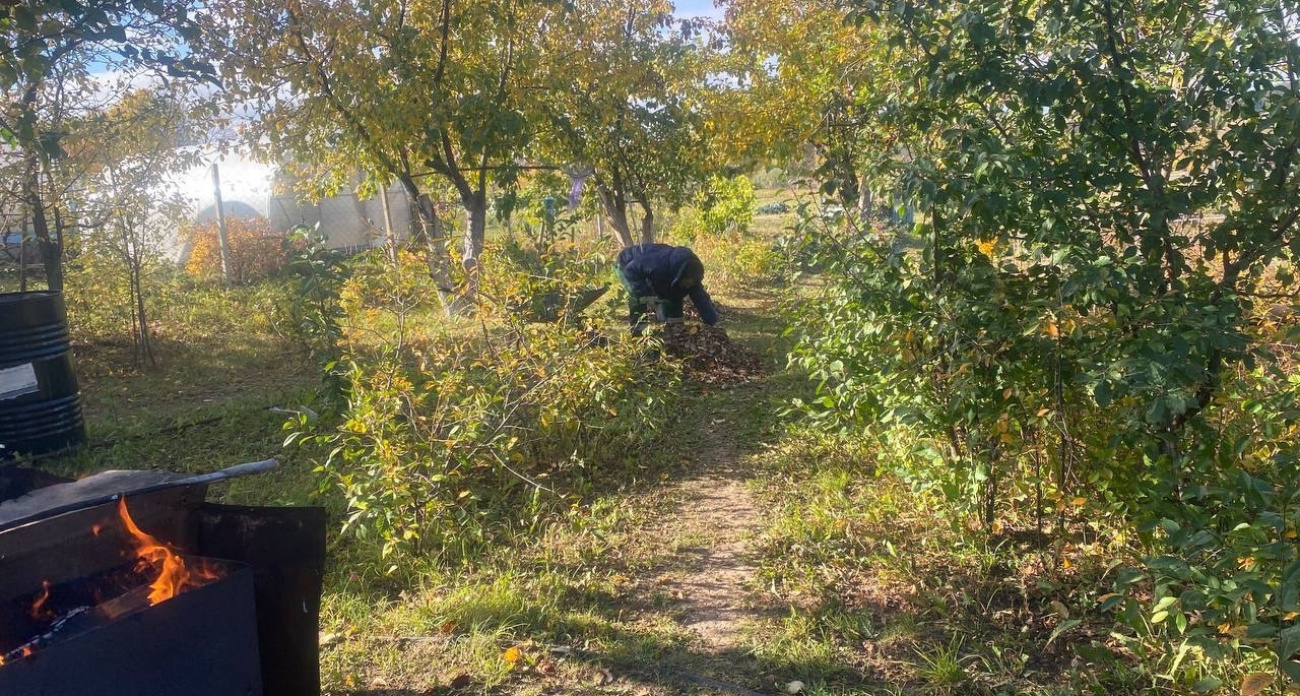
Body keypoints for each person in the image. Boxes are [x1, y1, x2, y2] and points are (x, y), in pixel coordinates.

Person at [615, 243, 719, 334]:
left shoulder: (690, 277)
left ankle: (675, 333)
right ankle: (639, 337)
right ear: (681, 276)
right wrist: (647, 295)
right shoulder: (659, 265)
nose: (687, 286)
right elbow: (631, 270)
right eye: (686, 282)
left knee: (675, 295)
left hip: (655, 271)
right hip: (627, 264)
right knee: (638, 299)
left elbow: (701, 299)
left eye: (690, 284)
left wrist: (712, 323)